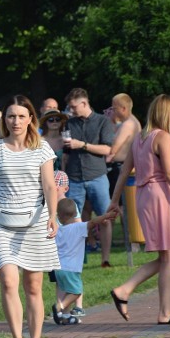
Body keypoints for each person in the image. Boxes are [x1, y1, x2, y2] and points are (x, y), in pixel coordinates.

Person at [0, 95, 60, 338]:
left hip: (35, 222)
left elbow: (49, 185)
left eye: (21, 116)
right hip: (2, 223)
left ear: (30, 119)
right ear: (5, 119)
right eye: (11, 116)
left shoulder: (42, 148)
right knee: (9, 281)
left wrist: (53, 215)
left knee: (33, 286)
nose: (16, 121)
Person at [108, 94, 170, 325]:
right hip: (161, 196)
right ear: (165, 112)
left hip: (144, 195)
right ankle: (164, 312)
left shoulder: (139, 137)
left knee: (168, 255)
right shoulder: (163, 137)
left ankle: (125, 291)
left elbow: (124, 171)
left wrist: (114, 201)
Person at [62, 88, 115, 268]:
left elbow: (107, 150)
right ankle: (76, 259)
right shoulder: (70, 123)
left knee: (105, 217)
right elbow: (67, 152)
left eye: (73, 107)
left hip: (97, 175)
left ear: (84, 103)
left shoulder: (103, 121)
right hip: (75, 177)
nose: (71, 110)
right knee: (73, 220)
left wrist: (82, 145)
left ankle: (105, 259)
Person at [51, 199, 115, 325]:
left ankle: (66, 316)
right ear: (76, 214)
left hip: (58, 268)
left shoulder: (58, 230)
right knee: (76, 292)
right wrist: (106, 216)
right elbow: (93, 221)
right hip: (71, 268)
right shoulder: (79, 227)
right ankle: (59, 306)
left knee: (66, 291)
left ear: (58, 216)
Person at [106, 93, 142, 195]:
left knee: (121, 201)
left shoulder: (128, 124)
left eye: (114, 109)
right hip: (123, 165)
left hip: (121, 167)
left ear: (123, 109)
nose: (113, 111)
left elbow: (113, 148)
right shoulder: (130, 122)